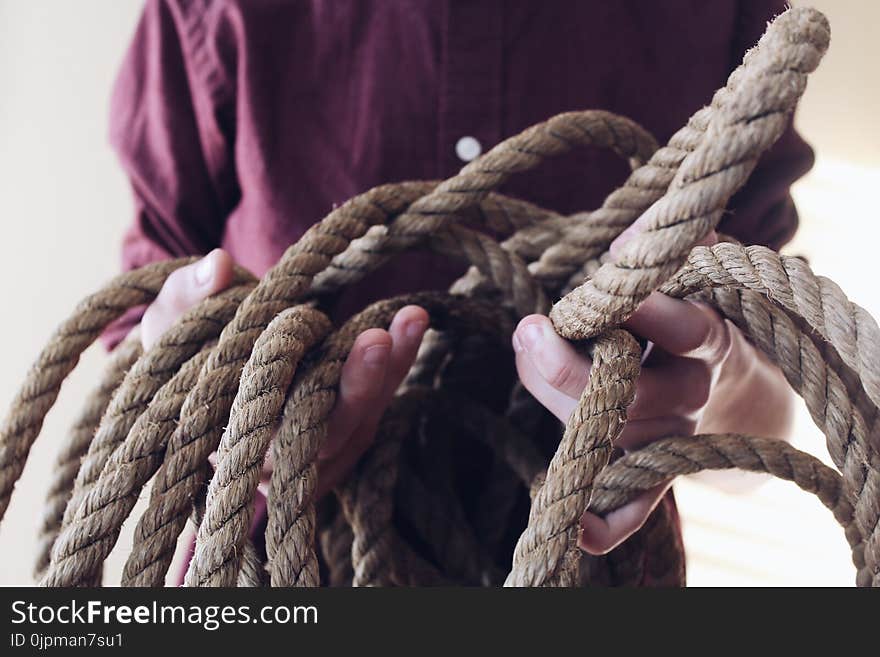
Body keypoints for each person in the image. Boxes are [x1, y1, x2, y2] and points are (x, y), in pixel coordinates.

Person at [105, 0, 810, 578]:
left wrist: (714, 382)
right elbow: (143, 334)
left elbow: (769, 407)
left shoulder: (724, 18)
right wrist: (214, 407)